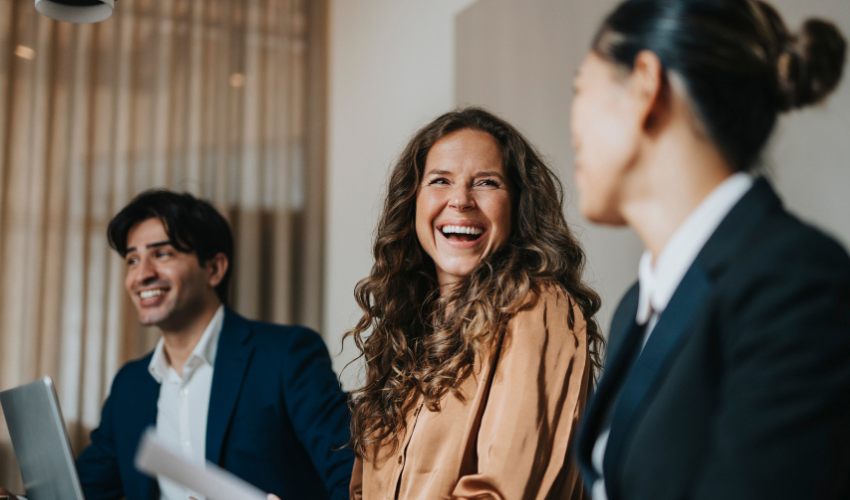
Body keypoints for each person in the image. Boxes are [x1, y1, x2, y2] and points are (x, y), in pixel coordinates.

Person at [570, 1, 850, 499]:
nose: (572, 126)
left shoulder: (795, 280)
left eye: (579, 89)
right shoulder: (639, 304)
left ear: (644, 85)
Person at [3, 190, 354, 500]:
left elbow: (352, 477)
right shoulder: (130, 385)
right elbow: (81, 493)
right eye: (132, 259)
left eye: (163, 254)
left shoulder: (287, 355)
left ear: (214, 269)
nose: (141, 275)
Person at [346, 107, 604, 499]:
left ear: (518, 205)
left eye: (486, 183)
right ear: (412, 202)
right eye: (440, 181)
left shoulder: (537, 309)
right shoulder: (406, 332)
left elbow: (505, 492)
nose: (461, 200)